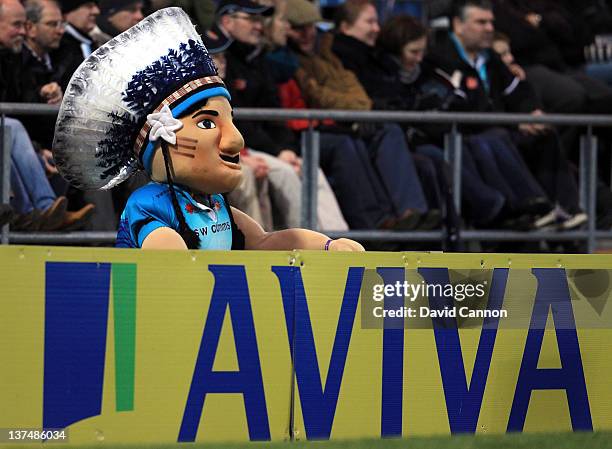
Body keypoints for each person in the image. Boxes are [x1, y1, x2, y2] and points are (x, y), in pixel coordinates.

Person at [53, 7, 363, 251]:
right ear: (160, 138)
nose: (235, 138)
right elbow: (170, 262)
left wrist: (325, 246)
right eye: (206, 123)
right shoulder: (150, 204)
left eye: (230, 121)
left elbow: (265, 241)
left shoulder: (216, 205)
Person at [51, 0, 100, 91]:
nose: (96, 11)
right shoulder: (60, 46)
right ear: (68, 12)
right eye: (88, 6)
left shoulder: (90, 42)